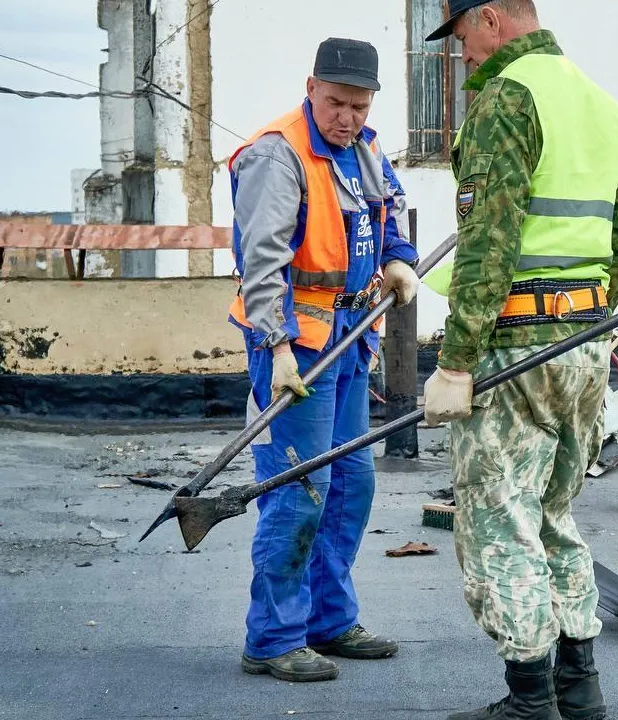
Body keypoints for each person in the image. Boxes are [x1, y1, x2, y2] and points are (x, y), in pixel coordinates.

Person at [420, 1, 618, 717]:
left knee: (498, 524)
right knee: (553, 515)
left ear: (490, 18)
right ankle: (580, 695)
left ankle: (530, 701)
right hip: (583, 348)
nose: (462, 55)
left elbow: (490, 242)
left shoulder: (506, 98)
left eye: (461, 37)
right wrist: (586, 316)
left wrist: (457, 362)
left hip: (512, 351)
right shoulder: (600, 102)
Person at [225, 37, 420, 683]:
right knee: (300, 489)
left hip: (350, 335)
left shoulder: (364, 147)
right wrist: (276, 346)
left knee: (351, 484)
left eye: (360, 106)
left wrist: (398, 258)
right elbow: (262, 262)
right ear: (311, 88)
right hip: (297, 347)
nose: (348, 118)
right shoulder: (276, 155)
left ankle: (328, 622)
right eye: (337, 103)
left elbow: (386, 212)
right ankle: (274, 638)